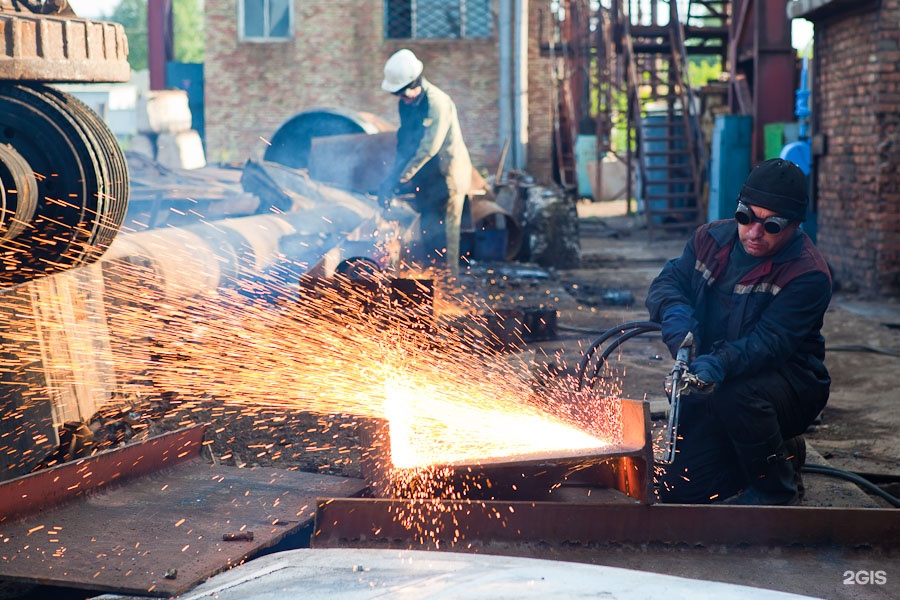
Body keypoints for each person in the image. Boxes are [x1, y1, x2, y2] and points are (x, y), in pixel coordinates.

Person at [645, 158, 832, 505]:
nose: (754, 232)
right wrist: (677, 317)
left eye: (771, 225)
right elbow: (669, 282)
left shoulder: (808, 274)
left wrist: (716, 364)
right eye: (747, 217)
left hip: (788, 385)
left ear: (794, 226)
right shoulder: (709, 239)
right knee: (681, 490)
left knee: (736, 395)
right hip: (718, 380)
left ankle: (776, 489)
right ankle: (782, 453)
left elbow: (769, 343)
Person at [378, 48, 472, 277]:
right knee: (429, 232)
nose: (400, 98)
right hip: (426, 177)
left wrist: (402, 177)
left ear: (415, 82)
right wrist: (391, 177)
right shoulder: (406, 104)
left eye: (402, 93)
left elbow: (428, 147)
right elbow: (405, 142)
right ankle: (432, 285)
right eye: (396, 94)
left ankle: (449, 291)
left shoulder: (437, 103)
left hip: (447, 176)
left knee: (446, 239)